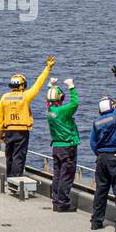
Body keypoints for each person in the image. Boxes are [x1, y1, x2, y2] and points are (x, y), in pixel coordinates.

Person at [0, 55, 54, 179]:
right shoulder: (25, 96)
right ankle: (16, 179)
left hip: (8, 130)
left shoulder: (4, 97)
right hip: (22, 131)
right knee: (19, 155)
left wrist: (2, 133)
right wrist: (48, 68)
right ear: (22, 85)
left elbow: (0, 118)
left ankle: (9, 177)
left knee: (9, 155)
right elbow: (38, 84)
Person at [89, 65, 116, 232]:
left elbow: (92, 143)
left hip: (101, 159)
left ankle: (96, 222)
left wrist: (99, 154)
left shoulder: (96, 123)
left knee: (101, 190)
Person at [45, 76, 79, 212]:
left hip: (56, 147)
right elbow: (74, 103)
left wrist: (51, 86)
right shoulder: (62, 111)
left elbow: (50, 99)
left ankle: (56, 202)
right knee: (66, 176)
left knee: (57, 175)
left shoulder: (50, 111)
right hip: (67, 146)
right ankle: (63, 203)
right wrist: (71, 87)